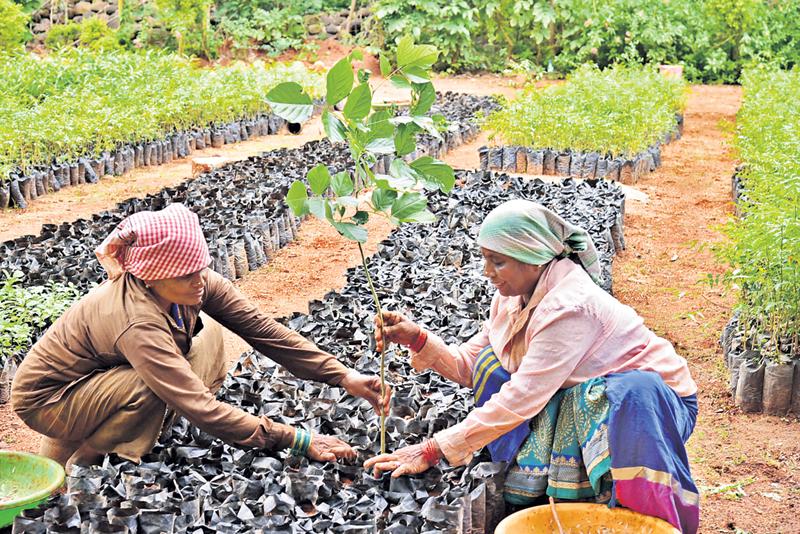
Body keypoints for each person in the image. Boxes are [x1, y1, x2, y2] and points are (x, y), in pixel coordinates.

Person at [364, 199, 699, 534]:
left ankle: (633, 507)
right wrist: (417, 339)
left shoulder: (569, 306)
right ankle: (566, 491)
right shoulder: (512, 296)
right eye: (485, 259)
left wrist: (434, 449)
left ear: (533, 259)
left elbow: (522, 397)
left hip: (653, 408)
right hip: (589, 390)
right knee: (494, 364)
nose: (487, 272)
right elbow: (470, 365)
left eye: (498, 262)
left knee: (625, 394)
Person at [12, 203, 390, 469]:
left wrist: (342, 376)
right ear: (151, 276)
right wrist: (298, 439)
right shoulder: (137, 320)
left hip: (89, 380)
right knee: (150, 386)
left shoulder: (193, 283)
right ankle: (89, 458)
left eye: (201, 269)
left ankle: (110, 431)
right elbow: (199, 407)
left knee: (208, 336)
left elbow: (263, 331)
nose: (199, 281)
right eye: (186, 275)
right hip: (48, 400)